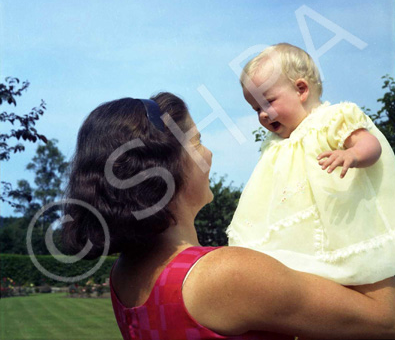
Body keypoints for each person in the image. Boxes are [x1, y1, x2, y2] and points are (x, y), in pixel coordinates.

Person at [62, 93, 395, 340]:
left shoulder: (124, 274)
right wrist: (360, 190)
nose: (208, 152)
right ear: (162, 172)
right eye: (197, 141)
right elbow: (385, 320)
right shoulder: (225, 274)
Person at [226, 43, 395, 287]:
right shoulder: (276, 145)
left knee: (355, 269)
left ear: (301, 90)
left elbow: (371, 144)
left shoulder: (331, 119)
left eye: (268, 102)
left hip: (342, 220)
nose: (262, 114)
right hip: (300, 232)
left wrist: (353, 155)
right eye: (256, 109)